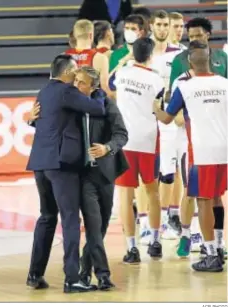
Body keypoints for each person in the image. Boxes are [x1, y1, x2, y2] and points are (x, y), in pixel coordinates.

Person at [26, 54, 105, 293]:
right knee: (70, 219)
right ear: (66, 72)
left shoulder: (44, 92)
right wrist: (98, 89)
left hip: (41, 163)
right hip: (61, 165)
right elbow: (97, 107)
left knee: (47, 217)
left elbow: (41, 121)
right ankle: (72, 278)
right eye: (75, 70)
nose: (77, 74)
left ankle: (34, 274)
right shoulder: (66, 92)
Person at [154, 46, 227, 272]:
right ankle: (219, 245)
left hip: (202, 151)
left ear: (189, 64)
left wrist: (154, 108)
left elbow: (166, 118)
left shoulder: (185, 87)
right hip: (224, 150)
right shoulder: (225, 84)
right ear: (211, 62)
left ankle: (211, 253)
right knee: (216, 198)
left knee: (203, 200)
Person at [109, 37, 165, 263]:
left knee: (125, 195)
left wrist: (126, 59)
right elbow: (159, 103)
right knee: (152, 192)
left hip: (125, 142)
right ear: (151, 55)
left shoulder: (122, 74)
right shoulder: (156, 79)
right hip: (149, 140)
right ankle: (155, 242)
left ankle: (132, 249)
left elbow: (109, 82)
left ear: (134, 53)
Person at [74, 67, 128, 290]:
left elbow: (121, 134)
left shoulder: (106, 104)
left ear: (93, 87)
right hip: (84, 176)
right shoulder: (71, 106)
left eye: (81, 83)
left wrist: (107, 148)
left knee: (102, 226)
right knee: (93, 227)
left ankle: (84, 271)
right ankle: (103, 275)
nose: (76, 86)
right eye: (75, 81)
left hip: (105, 174)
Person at [149, 10, 183, 241]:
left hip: (171, 118)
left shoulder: (181, 54)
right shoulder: (147, 52)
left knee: (174, 170)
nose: (176, 30)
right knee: (156, 172)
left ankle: (173, 213)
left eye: (180, 26)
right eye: (174, 26)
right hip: (151, 119)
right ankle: (150, 218)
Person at [169, 17, 227, 89]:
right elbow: (172, 90)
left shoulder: (222, 56)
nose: (194, 40)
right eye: (191, 37)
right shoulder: (179, 59)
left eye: (198, 36)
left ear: (207, 35)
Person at [65, 19, 113, 97]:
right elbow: (104, 89)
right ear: (91, 35)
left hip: (67, 104)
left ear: (75, 35)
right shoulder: (100, 58)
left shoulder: (62, 57)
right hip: (89, 105)